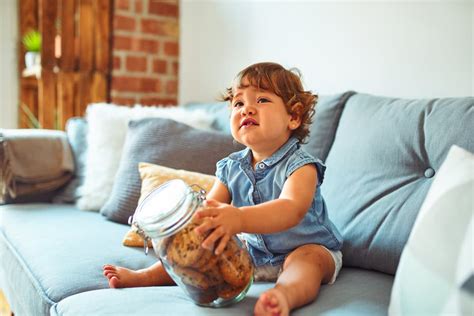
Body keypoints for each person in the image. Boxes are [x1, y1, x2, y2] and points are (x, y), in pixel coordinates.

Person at [103, 62, 343, 316]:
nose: (246, 108)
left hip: (308, 247)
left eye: (261, 99)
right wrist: (184, 229)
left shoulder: (301, 166)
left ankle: (284, 295)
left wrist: (239, 218)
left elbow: (291, 209)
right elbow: (209, 210)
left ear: (293, 117)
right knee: (202, 244)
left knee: (306, 263)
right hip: (251, 253)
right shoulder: (231, 167)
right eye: (238, 103)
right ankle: (147, 276)